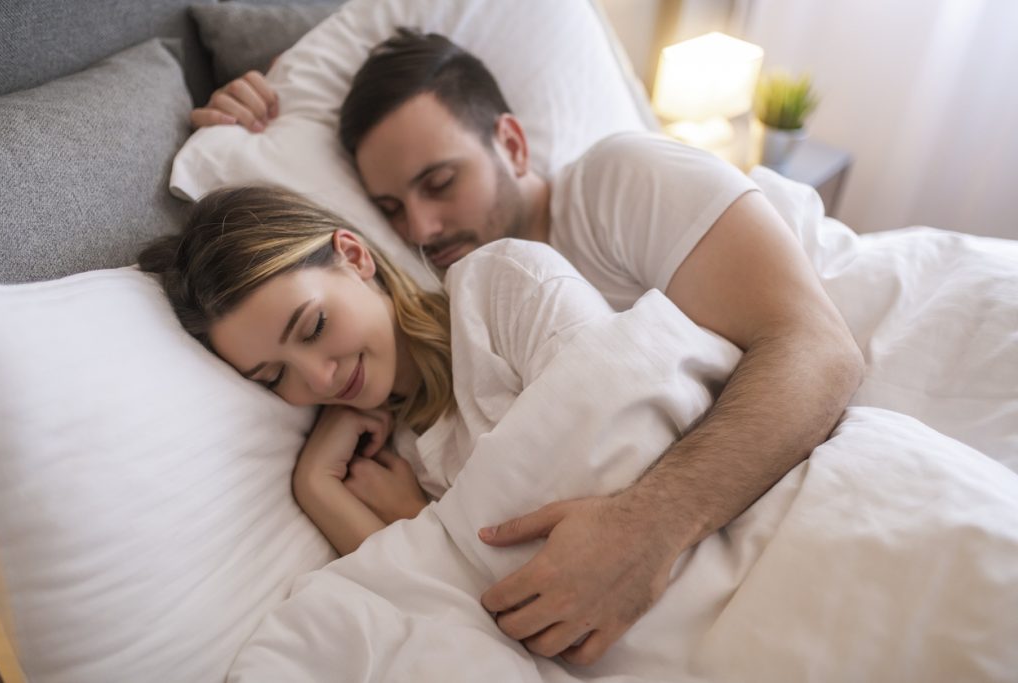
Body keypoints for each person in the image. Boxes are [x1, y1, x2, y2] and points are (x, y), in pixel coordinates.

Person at [189, 29, 864, 664]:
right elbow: (452, 605)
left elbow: (818, 348)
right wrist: (321, 486)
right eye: (391, 208)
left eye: (440, 182)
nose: (421, 226)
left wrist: (646, 525)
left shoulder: (570, 223)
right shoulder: (394, 443)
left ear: (512, 144)